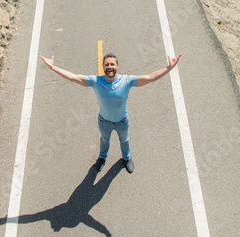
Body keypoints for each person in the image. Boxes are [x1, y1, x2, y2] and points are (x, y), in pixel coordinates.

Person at [39, 52, 182, 173]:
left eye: (112, 64)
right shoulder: (96, 81)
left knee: (124, 140)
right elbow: (73, 77)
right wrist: (53, 68)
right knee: (104, 140)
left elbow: (150, 78)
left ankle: (126, 158)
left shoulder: (126, 81)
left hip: (122, 121)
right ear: (103, 67)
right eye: (107, 64)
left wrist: (169, 68)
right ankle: (102, 157)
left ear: (117, 66)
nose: (109, 67)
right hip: (104, 121)